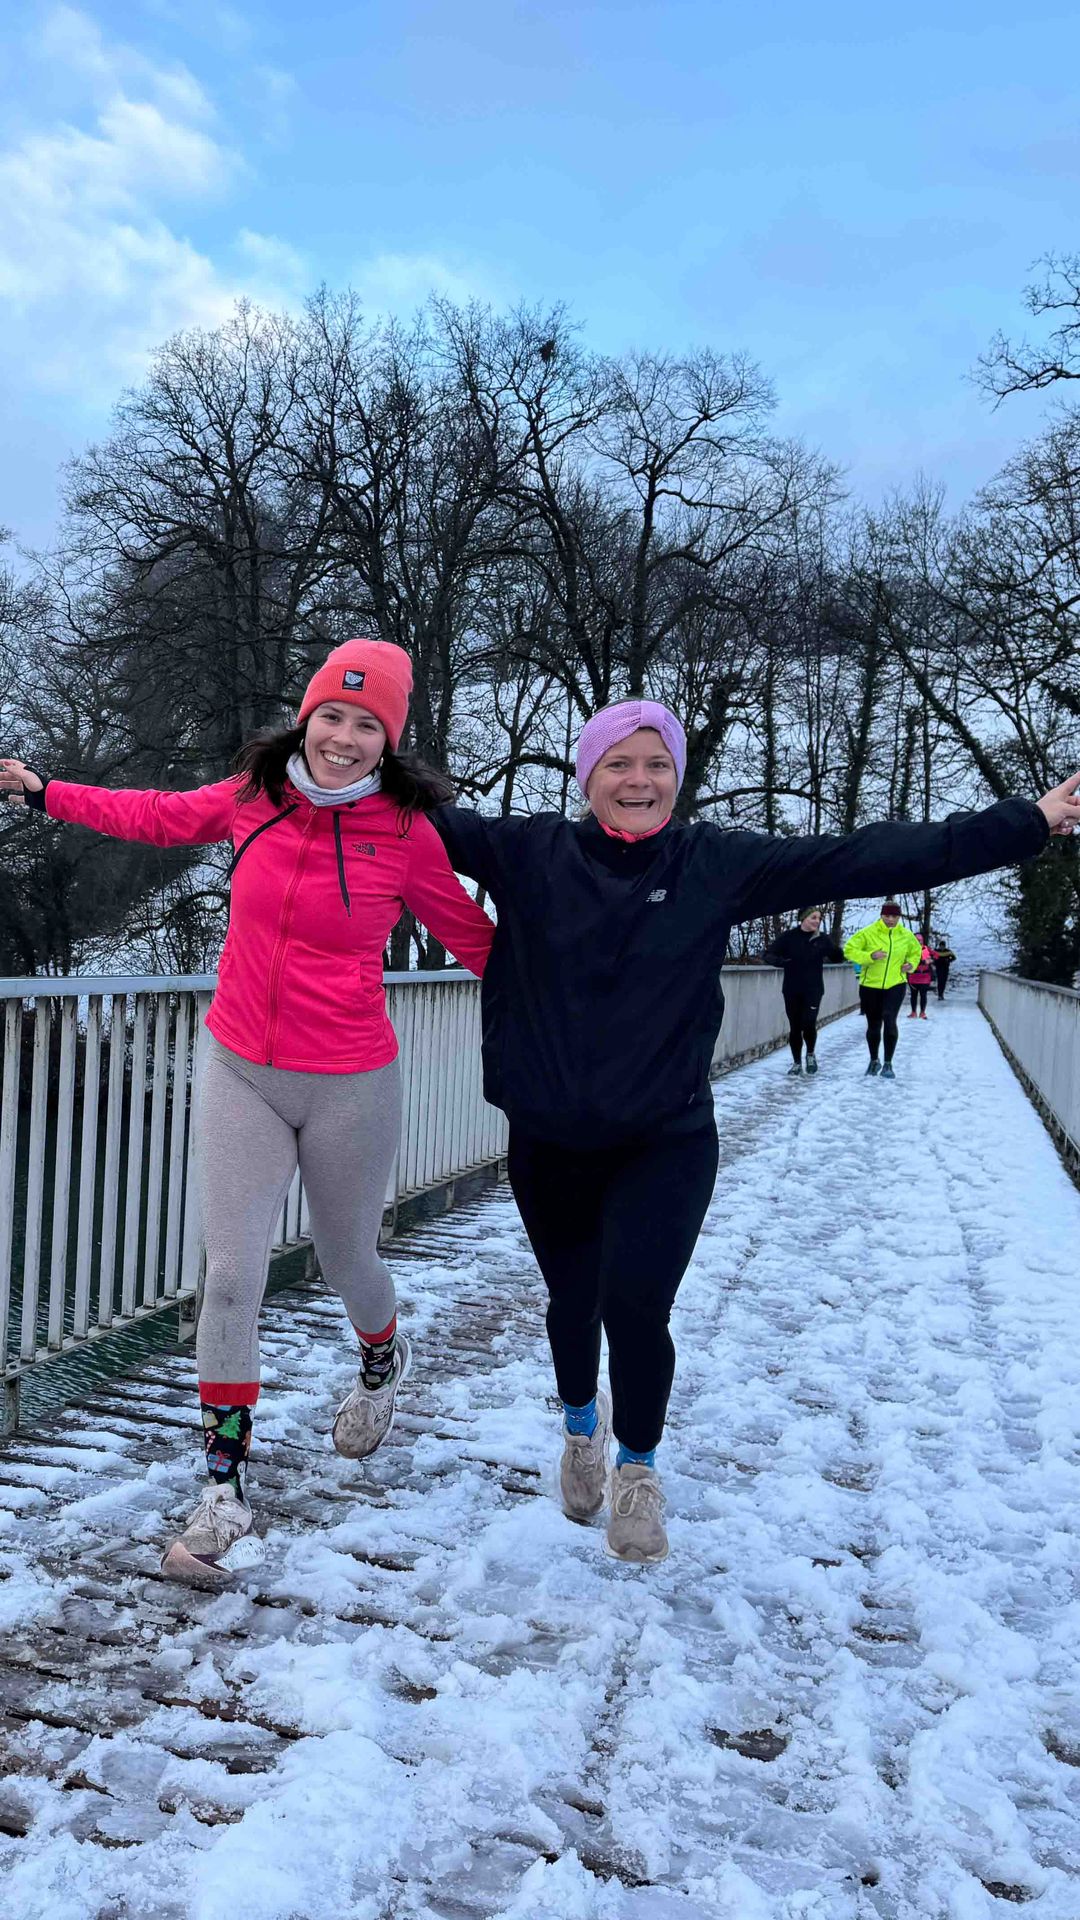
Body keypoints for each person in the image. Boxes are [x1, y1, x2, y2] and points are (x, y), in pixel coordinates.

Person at [434, 698, 1080, 1564]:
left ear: (677, 777)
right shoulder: (527, 851)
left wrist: (1023, 823)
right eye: (619, 764)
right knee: (572, 1301)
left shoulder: (713, 862)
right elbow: (393, 812)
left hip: (664, 1137)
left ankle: (637, 1470)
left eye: (657, 764)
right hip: (549, 1137)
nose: (639, 781)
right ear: (588, 776)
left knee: (636, 1306)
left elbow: (863, 854)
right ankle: (581, 1428)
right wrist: (320, 750)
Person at [0, 639, 494, 1585]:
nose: (344, 737)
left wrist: (587, 997)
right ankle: (223, 1488)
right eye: (332, 715)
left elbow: (476, 941)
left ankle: (382, 1356)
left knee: (348, 1259)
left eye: (368, 724)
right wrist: (45, 792)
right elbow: (153, 816)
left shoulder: (408, 833)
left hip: (351, 1080)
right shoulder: (251, 797)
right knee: (230, 1275)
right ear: (306, 718)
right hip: (241, 1067)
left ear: (388, 741)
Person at [762, 907, 847, 1076]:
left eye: (819, 918)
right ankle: (796, 1063)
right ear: (803, 918)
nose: (817, 921)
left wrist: (836, 950)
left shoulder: (822, 939)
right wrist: (782, 962)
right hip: (792, 989)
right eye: (813, 917)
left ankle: (810, 1054)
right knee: (795, 1026)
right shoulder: (789, 937)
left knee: (808, 1023)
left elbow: (837, 958)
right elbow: (767, 954)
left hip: (814, 989)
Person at [844, 902, 923, 1077]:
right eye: (887, 916)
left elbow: (915, 952)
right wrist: (869, 956)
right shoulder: (868, 933)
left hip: (896, 984)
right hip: (870, 985)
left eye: (894, 916)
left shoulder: (906, 935)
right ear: (881, 915)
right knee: (874, 1024)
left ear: (899, 917)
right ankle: (874, 1061)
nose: (891, 920)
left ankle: (888, 1064)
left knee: (889, 1018)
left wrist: (910, 964)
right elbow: (849, 950)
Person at [907, 938, 936, 1019]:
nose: (918, 942)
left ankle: (922, 1012)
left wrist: (931, 960)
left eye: (919, 941)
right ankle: (913, 1012)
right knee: (913, 995)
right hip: (913, 976)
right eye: (916, 940)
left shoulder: (926, 949)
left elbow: (936, 956)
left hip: (925, 977)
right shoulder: (909, 949)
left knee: (923, 995)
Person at [933, 933, 957, 1000]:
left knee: (943, 982)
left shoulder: (948, 951)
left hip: (945, 968)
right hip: (938, 968)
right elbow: (931, 957)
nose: (942, 947)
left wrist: (949, 960)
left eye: (943, 946)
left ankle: (942, 994)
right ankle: (939, 995)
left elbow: (954, 958)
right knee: (939, 981)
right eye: (941, 946)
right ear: (939, 946)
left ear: (944, 946)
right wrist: (934, 962)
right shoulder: (936, 951)